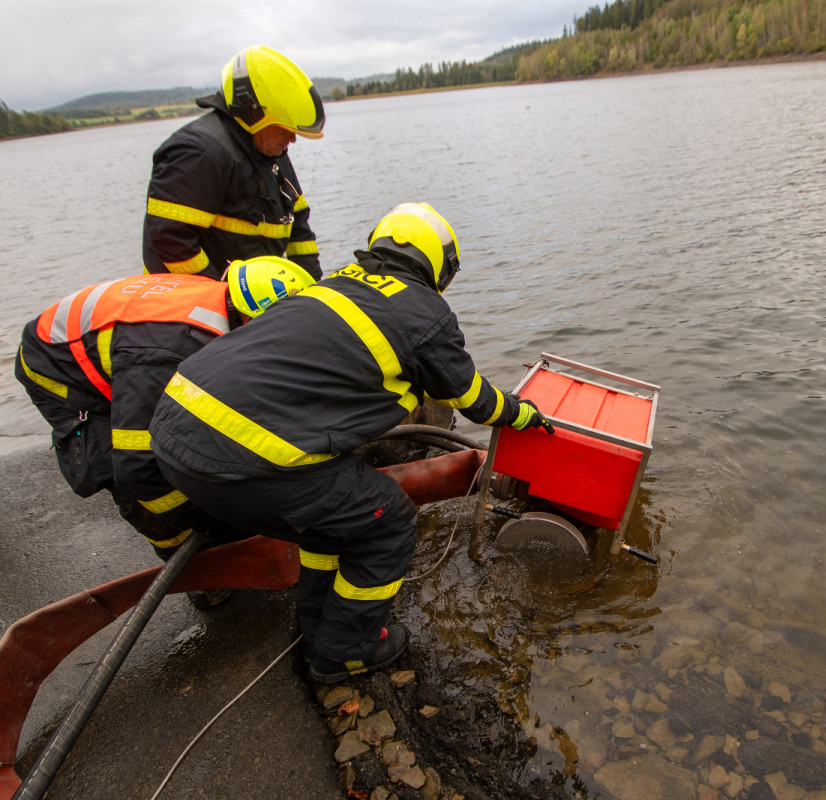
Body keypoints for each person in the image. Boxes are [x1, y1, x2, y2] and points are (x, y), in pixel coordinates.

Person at [148, 202, 555, 682]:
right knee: (388, 520)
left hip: (173, 434)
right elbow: (473, 399)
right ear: (441, 266)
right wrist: (523, 414)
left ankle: (317, 624)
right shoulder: (425, 313)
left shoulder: (330, 285)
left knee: (331, 523)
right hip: (241, 461)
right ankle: (346, 650)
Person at [13, 258, 315, 606]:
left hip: (125, 345)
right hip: (58, 366)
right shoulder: (168, 352)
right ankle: (196, 573)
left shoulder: (226, 309)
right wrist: (214, 524)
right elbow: (139, 469)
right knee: (129, 469)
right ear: (250, 319)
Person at [142, 46, 325, 282]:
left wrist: (312, 288)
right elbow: (170, 239)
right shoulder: (199, 153)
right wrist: (224, 299)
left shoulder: (270, 150)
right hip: (184, 306)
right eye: (283, 129)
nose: (292, 139)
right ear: (252, 114)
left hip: (247, 301)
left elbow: (299, 226)